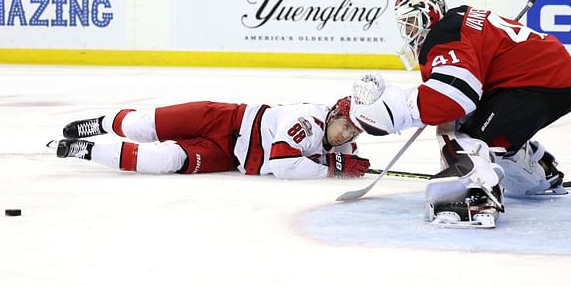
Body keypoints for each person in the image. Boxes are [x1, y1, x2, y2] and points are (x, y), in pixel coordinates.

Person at [348, 0, 571, 228]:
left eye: (411, 22)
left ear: (429, 14)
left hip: (537, 83)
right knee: (478, 126)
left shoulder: (445, 33)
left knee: (461, 135)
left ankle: (475, 196)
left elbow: (452, 97)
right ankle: (539, 173)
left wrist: (394, 111)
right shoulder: (458, 21)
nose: (408, 31)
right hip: (555, 80)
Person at [47, 97, 370, 180]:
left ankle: (86, 151)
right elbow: (283, 163)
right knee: (142, 126)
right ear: (333, 114)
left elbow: (333, 157)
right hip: (223, 116)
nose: (348, 133)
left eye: (355, 130)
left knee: (165, 160)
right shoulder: (308, 123)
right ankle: (101, 123)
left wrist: (335, 162)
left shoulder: (343, 144)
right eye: (346, 125)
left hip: (227, 155)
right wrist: (331, 168)